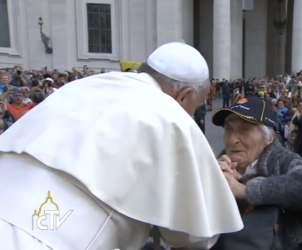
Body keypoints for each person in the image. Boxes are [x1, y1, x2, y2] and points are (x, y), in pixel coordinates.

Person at [0, 42, 243, 250]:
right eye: (195, 105)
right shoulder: (171, 116)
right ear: (185, 94)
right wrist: (214, 186)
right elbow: (190, 235)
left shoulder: (83, 86)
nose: (190, 114)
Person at [204, 97, 302, 250]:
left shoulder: (281, 160)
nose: (233, 139)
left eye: (245, 129)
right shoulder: (218, 164)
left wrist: (246, 190)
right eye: (228, 129)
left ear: (268, 138)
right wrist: (209, 178)